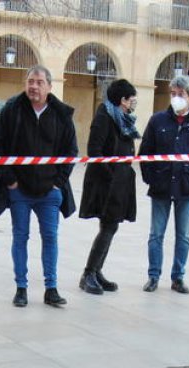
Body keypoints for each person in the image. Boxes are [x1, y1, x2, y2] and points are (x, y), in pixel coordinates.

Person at [0, 65, 78, 308]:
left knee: (50, 237)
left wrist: (58, 184)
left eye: (39, 82)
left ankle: (51, 288)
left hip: (49, 192)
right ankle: (21, 288)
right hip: (19, 189)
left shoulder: (61, 115)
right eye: (30, 81)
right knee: (20, 237)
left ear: (50, 87)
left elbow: (70, 153)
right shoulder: (11, 111)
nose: (34, 86)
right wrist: (10, 180)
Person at [136, 75, 189, 294]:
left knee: (183, 236)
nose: (176, 98)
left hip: (187, 188)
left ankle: (178, 277)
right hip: (161, 186)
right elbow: (145, 153)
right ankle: (153, 276)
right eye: (173, 94)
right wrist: (150, 177)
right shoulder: (158, 120)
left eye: (180, 94)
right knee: (156, 235)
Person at [78, 79, 139, 295]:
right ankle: (88, 274)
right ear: (122, 100)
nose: (133, 104)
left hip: (119, 181)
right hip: (106, 183)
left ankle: (96, 271)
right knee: (108, 227)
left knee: (111, 227)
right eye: (132, 100)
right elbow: (95, 150)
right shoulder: (104, 117)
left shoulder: (121, 118)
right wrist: (111, 174)